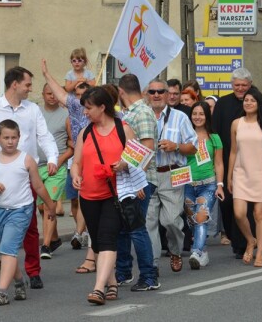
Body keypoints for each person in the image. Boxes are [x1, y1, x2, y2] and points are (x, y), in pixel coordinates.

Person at [0, 66, 59, 293]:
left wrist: (53, 158)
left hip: (25, 175)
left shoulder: (32, 109)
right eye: (27, 84)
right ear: (14, 84)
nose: (30, 89)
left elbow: (43, 136)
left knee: (29, 228)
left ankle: (33, 271)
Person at [0, 119, 57, 306]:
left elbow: (37, 185)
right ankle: (19, 282)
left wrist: (50, 206)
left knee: (8, 249)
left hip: (21, 210)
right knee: (5, 250)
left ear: (19, 138)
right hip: (0, 210)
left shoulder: (26, 159)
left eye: (14, 137)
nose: (10, 141)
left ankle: (1, 292)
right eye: (6, 137)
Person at [70, 86, 135, 305]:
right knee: (97, 242)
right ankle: (112, 282)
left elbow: (138, 159)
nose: (85, 113)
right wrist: (75, 176)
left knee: (107, 238)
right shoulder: (85, 132)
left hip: (115, 194)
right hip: (88, 195)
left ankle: (98, 289)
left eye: (88, 108)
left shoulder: (123, 129)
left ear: (102, 107)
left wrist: (124, 164)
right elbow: (76, 162)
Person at [41, 60, 94, 270]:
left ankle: (91, 250)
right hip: (80, 165)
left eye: (85, 97)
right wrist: (46, 74)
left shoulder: (107, 113)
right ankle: (86, 243)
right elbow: (61, 94)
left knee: (94, 208)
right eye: (78, 97)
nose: (81, 101)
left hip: (99, 166)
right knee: (82, 203)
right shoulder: (74, 108)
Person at [146, 79, 198, 273]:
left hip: (173, 172)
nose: (157, 95)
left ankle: (175, 251)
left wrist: (175, 146)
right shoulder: (142, 116)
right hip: (149, 173)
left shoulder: (180, 117)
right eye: (152, 91)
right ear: (147, 95)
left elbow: (193, 148)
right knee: (149, 221)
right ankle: (152, 264)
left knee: (170, 220)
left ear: (168, 95)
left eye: (161, 91)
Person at [228, 88, 262, 267]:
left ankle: (259, 252)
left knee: (260, 214)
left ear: (259, 104)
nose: (248, 103)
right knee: (239, 213)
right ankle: (250, 240)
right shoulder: (236, 123)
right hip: (241, 173)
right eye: (246, 100)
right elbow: (233, 152)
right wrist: (229, 176)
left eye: (252, 100)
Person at [115, 74, 160, 291]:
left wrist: (137, 181)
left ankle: (149, 276)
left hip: (140, 180)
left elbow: (147, 148)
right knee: (124, 228)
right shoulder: (128, 113)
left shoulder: (141, 112)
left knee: (136, 229)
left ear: (121, 92)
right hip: (127, 180)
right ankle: (123, 271)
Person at [212, 67, 253, 257]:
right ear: (232, 85)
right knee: (226, 203)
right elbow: (215, 132)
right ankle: (233, 237)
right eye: (237, 85)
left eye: (244, 85)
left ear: (250, 85)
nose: (240, 89)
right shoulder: (222, 103)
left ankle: (245, 242)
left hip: (251, 161)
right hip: (226, 159)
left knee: (247, 204)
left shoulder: (255, 101)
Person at [184, 101, 225, 269]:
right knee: (192, 220)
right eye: (195, 114)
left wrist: (220, 185)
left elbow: (219, 163)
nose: (197, 117)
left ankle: (197, 251)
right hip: (187, 184)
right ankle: (203, 252)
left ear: (207, 116)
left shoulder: (214, 138)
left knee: (201, 217)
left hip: (208, 184)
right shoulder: (185, 136)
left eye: (201, 114)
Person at [37, 84, 73, 259]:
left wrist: (59, 161)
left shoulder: (66, 116)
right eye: (48, 93)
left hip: (55, 168)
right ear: (42, 94)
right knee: (42, 208)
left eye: (55, 94)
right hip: (36, 167)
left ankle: (45, 245)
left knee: (49, 204)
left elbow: (72, 146)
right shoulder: (36, 113)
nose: (52, 97)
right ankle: (56, 238)